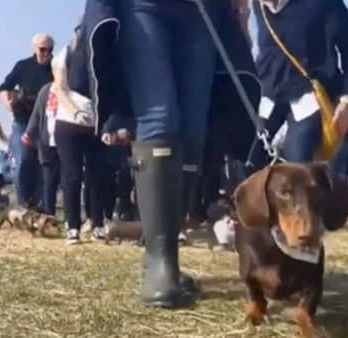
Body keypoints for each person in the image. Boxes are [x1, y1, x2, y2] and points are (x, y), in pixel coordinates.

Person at [82, 0, 256, 308]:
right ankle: (160, 263)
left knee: (193, 128)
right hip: (143, 7)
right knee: (160, 117)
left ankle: (165, 259)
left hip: (204, 11)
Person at [249, 0, 348, 173]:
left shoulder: (324, 4)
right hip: (267, 94)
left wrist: (346, 101)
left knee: (298, 167)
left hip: (308, 96)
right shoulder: (258, 6)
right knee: (246, 160)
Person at [51, 28, 107, 245]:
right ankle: (72, 225)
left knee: (97, 175)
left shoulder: (104, 56)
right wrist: (75, 111)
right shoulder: (64, 55)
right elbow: (59, 89)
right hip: (69, 123)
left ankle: (97, 223)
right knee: (72, 175)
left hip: (97, 122)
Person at [0, 33, 54, 208]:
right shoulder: (23, 66)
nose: (46, 53)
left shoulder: (57, 67)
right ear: (35, 48)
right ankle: (23, 203)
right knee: (23, 161)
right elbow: (4, 87)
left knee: (43, 164)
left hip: (46, 122)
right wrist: (8, 103)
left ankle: (39, 204)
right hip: (23, 120)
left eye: (50, 49)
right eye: (43, 49)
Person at [23, 75, 61, 217]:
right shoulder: (45, 90)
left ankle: (71, 217)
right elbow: (37, 114)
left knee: (68, 180)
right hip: (47, 143)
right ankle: (49, 214)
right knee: (49, 181)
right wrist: (29, 133)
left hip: (66, 142)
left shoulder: (70, 90)